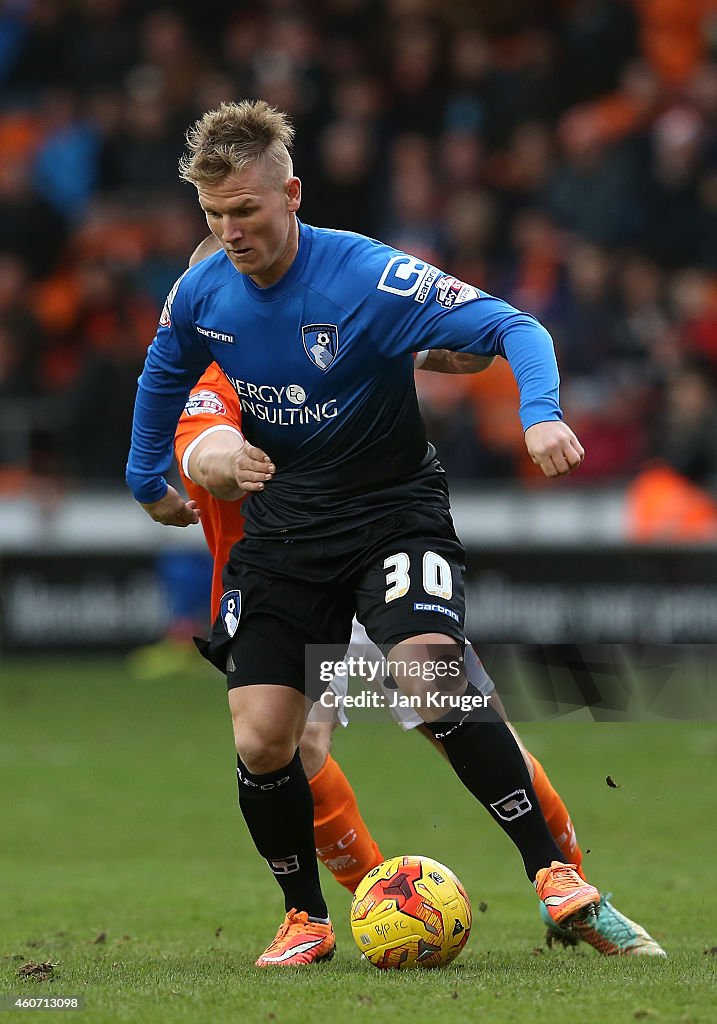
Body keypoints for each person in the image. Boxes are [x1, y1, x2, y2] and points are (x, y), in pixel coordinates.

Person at [126, 99, 613, 967]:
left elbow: (511, 327)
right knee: (265, 736)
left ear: (292, 195)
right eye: (214, 216)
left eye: (245, 210)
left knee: (434, 681)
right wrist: (152, 475)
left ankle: (556, 876)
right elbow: (174, 396)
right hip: (282, 541)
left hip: (390, 515)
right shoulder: (200, 301)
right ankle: (305, 917)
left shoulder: (366, 277)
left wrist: (538, 413)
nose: (231, 231)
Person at [177, 234, 665, 958]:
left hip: (380, 540)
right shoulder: (206, 383)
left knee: (457, 705)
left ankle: (571, 891)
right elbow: (202, 449)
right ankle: (368, 900)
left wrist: (430, 348)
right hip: (286, 569)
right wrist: (220, 461)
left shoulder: (325, 332)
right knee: (288, 744)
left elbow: (456, 345)